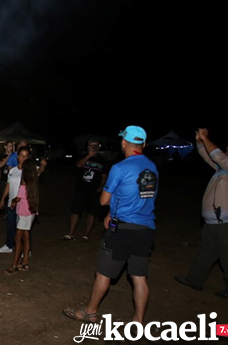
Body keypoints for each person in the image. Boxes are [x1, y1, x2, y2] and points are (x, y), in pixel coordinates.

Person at [63, 125, 158, 324]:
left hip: (122, 228)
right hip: (146, 229)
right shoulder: (152, 168)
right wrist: (112, 212)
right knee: (139, 277)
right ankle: (138, 322)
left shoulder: (120, 168)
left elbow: (104, 199)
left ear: (124, 142)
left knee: (103, 273)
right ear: (144, 144)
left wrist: (112, 207)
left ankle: (90, 312)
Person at [174, 129, 228, 299]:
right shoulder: (224, 170)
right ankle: (195, 279)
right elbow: (209, 157)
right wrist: (200, 142)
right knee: (206, 252)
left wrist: (206, 138)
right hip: (216, 222)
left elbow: (217, 156)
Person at [62, 138, 109, 242]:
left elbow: (104, 176)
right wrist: (89, 156)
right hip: (81, 188)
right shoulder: (82, 156)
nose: (94, 147)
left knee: (91, 213)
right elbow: (78, 165)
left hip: (94, 190)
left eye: (96, 145)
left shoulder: (103, 161)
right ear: (88, 147)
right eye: (92, 145)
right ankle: (71, 233)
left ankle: (86, 235)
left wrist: (100, 188)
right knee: (75, 211)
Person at [5, 158, 39, 275]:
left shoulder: (25, 182)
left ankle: (14, 264)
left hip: (24, 213)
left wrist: (13, 201)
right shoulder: (33, 181)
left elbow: (18, 197)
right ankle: (25, 262)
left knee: (17, 238)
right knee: (26, 236)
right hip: (30, 212)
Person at [0, 146, 31, 254]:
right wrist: (3, 198)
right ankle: (9, 245)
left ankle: (26, 250)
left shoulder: (29, 172)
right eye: (21, 155)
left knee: (23, 229)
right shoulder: (13, 170)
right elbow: (9, 185)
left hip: (23, 204)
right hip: (11, 202)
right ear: (17, 157)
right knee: (11, 225)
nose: (23, 158)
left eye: (26, 156)